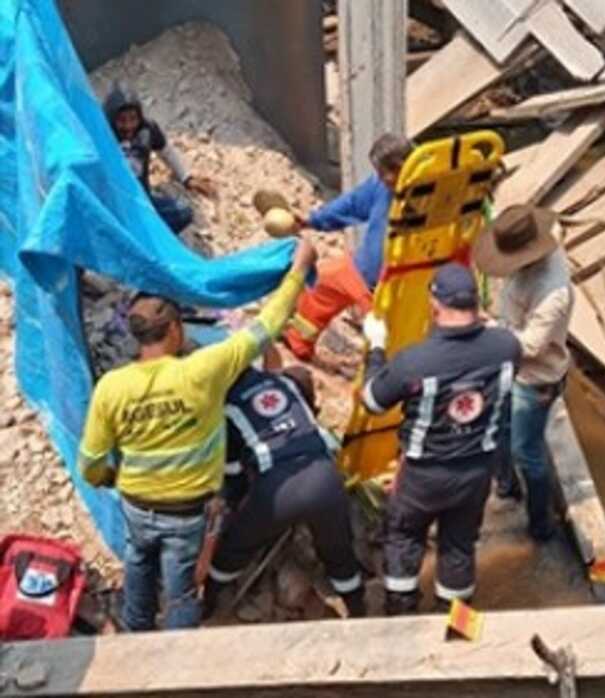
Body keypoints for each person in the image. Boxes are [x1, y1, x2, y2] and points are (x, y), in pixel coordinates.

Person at [77, 239, 317, 631]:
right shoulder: (204, 371)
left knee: (138, 568)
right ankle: (179, 663)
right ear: (174, 329)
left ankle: (135, 638)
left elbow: (89, 463)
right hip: (186, 512)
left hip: (136, 504)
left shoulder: (111, 388)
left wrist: (111, 478)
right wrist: (298, 270)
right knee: (183, 593)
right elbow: (266, 326)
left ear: (137, 335)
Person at [360, 263, 521, 615]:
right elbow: (496, 349)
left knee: (403, 538)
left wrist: (376, 346)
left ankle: (401, 617)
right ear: (477, 306)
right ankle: (455, 624)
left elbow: (371, 401)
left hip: (422, 475)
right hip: (477, 472)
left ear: (434, 306)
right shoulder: (507, 348)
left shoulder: (415, 361)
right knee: (459, 545)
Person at [204, 364, 365, 617]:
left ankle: (209, 600)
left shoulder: (228, 405)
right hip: (325, 475)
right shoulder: (286, 383)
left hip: (279, 489)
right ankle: (358, 608)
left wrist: (238, 507)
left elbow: (233, 473)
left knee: (236, 547)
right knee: (338, 551)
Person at [473, 205, 574, 542]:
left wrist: (488, 330)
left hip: (535, 378)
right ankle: (506, 487)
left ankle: (540, 523)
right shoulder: (548, 242)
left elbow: (530, 346)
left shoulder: (553, 293)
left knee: (526, 452)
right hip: (508, 360)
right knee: (498, 427)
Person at [283, 133, 413, 361]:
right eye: (380, 171)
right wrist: (312, 220)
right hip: (364, 270)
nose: (384, 177)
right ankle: (298, 342)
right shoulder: (382, 184)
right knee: (322, 282)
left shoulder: (425, 193)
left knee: (393, 343)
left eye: (389, 171)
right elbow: (352, 204)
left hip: (388, 288)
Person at [103, 81, 216, 234]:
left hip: (143, 200)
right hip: (115, 207)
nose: (128, 126)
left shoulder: (147, 130)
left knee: (183, 213)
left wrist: (187, 178)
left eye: (133, 118)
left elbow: (166, 151)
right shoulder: (102, 137)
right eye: (122, 120)